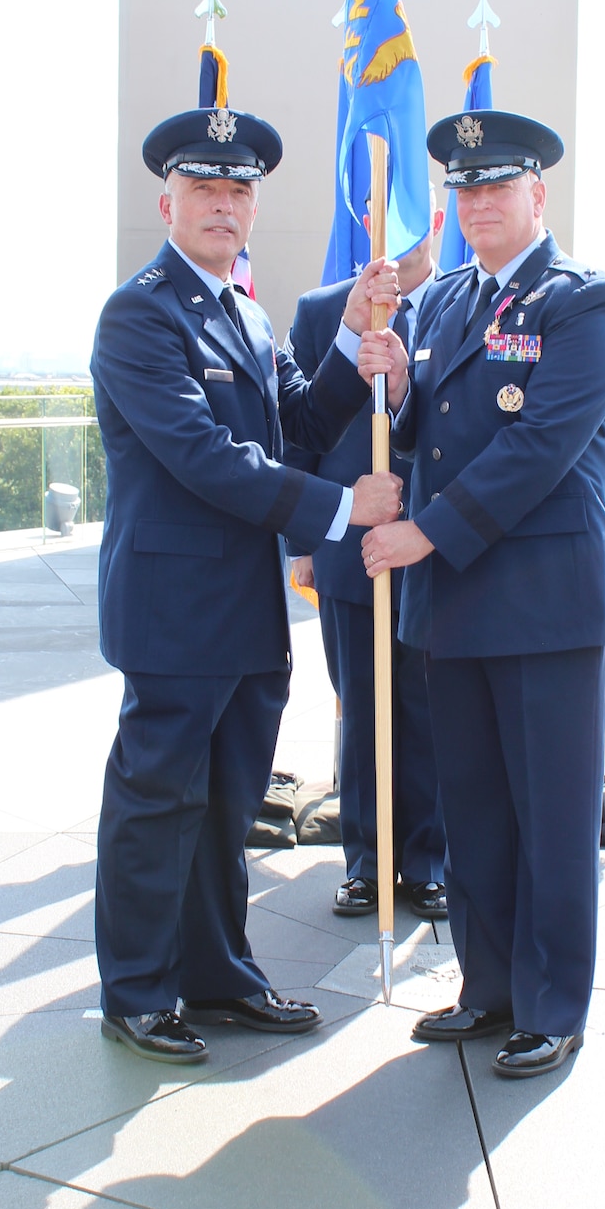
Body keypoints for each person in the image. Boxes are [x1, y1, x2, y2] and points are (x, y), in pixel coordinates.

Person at [89, 102, 403, 1065]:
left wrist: (353, 339)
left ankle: (218, 977)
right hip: (174, 610)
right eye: (205, 187)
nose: (223, 204)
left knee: (227, 805)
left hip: (247, 609)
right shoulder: (140, 312)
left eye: (238, 190)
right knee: (158, 801)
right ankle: (138, 993)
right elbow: (204, 455)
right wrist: (349, 509)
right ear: (167, 199)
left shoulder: (247, 311)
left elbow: (294, 422)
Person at [361, 110, 605, 1078]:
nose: (476, 203)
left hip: (542, 600)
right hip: (458, 599)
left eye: (494, 187)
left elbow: (538, 449)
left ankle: (552, 1003)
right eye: (462, 190)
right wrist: (392, 387)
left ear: (536, 196)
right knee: (474, 808)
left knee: (550, 815)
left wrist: (422, 530)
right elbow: (429, 431)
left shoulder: (582, 302)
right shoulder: (439, 304)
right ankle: (488, 987)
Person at [284, 212, 448, 920]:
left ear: (435, 222)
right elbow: (300, 434)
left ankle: (428, 860)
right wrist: (300, 543)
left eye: (413, 220)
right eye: (386, 219)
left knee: (431, 709)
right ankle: (365, 862)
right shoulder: (323, 311)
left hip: (440, 545)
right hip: (349, 550)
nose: (398, 236)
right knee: (362, 709)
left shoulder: (463, 305)